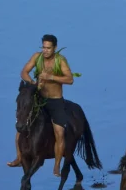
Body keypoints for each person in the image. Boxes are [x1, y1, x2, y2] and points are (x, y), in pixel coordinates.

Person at [8, 34, 75, 176]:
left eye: (48, 48)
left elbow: (70, 80)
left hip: (55, 101)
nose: (45, 51)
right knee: (20, 128)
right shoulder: (36, 57)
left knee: (59, 132)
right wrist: (33, 83)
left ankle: (57, 165)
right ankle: (19, 158)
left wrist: (50, 77)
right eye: (43, 47)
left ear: (55, 48)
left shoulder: (60, 61)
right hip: (40, 99)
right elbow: (24, 72)